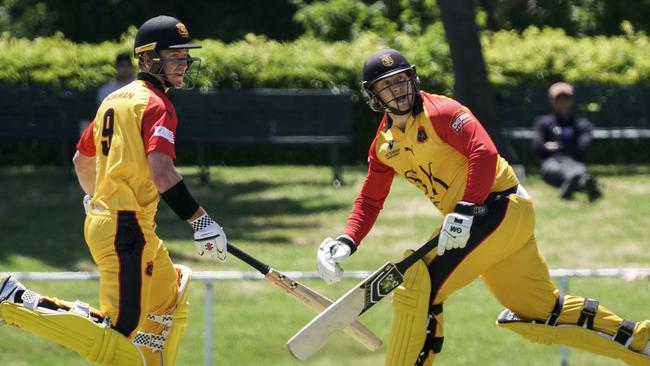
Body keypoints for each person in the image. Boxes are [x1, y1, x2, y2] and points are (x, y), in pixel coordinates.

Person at [316, 48, 650, 366]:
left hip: (497, 208)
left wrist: (463, 210)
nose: (398, 89)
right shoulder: (384, 146)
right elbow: (371, 198)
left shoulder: (442, 111)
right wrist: (347, 241)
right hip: (485, 223)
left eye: (401, 79)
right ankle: (642, 344)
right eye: (386, 85)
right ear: (373, 95)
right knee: (539, 312)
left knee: (417, 286)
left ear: (413, 79)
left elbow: (484, 152)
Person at [0, 15, 227, 366]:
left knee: (171, 298)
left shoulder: (116, 99)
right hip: (126, 229)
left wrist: (97, 202)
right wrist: (201, 222)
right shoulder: (156, 105)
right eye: (175, 56)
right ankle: (14, 302)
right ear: (149, 60)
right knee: (117, 344)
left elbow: (81, 159)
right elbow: (162, 172)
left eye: (185, 56)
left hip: (124, 226)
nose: (184, 63)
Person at [531, 82, 602, 201]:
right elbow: (537, 146)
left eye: (567, 99)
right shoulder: (543, 122)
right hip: (551, 162)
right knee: (559, 170)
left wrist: (556, 146)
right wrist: (568, 146)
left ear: (572, 101)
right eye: (559, 99)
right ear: (552, 101)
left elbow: (583, 146)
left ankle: (579, 183)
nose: (563, 103)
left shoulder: (581, 124)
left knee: (578, 169)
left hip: (573, 161)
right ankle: (583, 183)